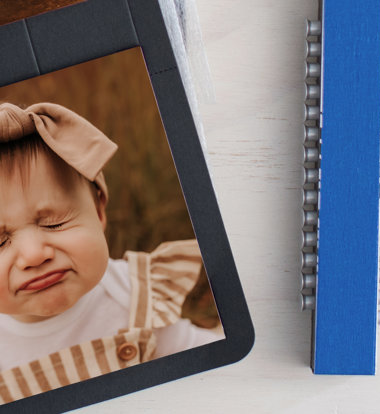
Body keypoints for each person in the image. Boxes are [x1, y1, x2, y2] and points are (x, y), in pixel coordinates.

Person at [0, 102, 221, 404]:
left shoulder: (134, 297)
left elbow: (210, 362)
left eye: (55, 222)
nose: (34, 255)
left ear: (99, 211)